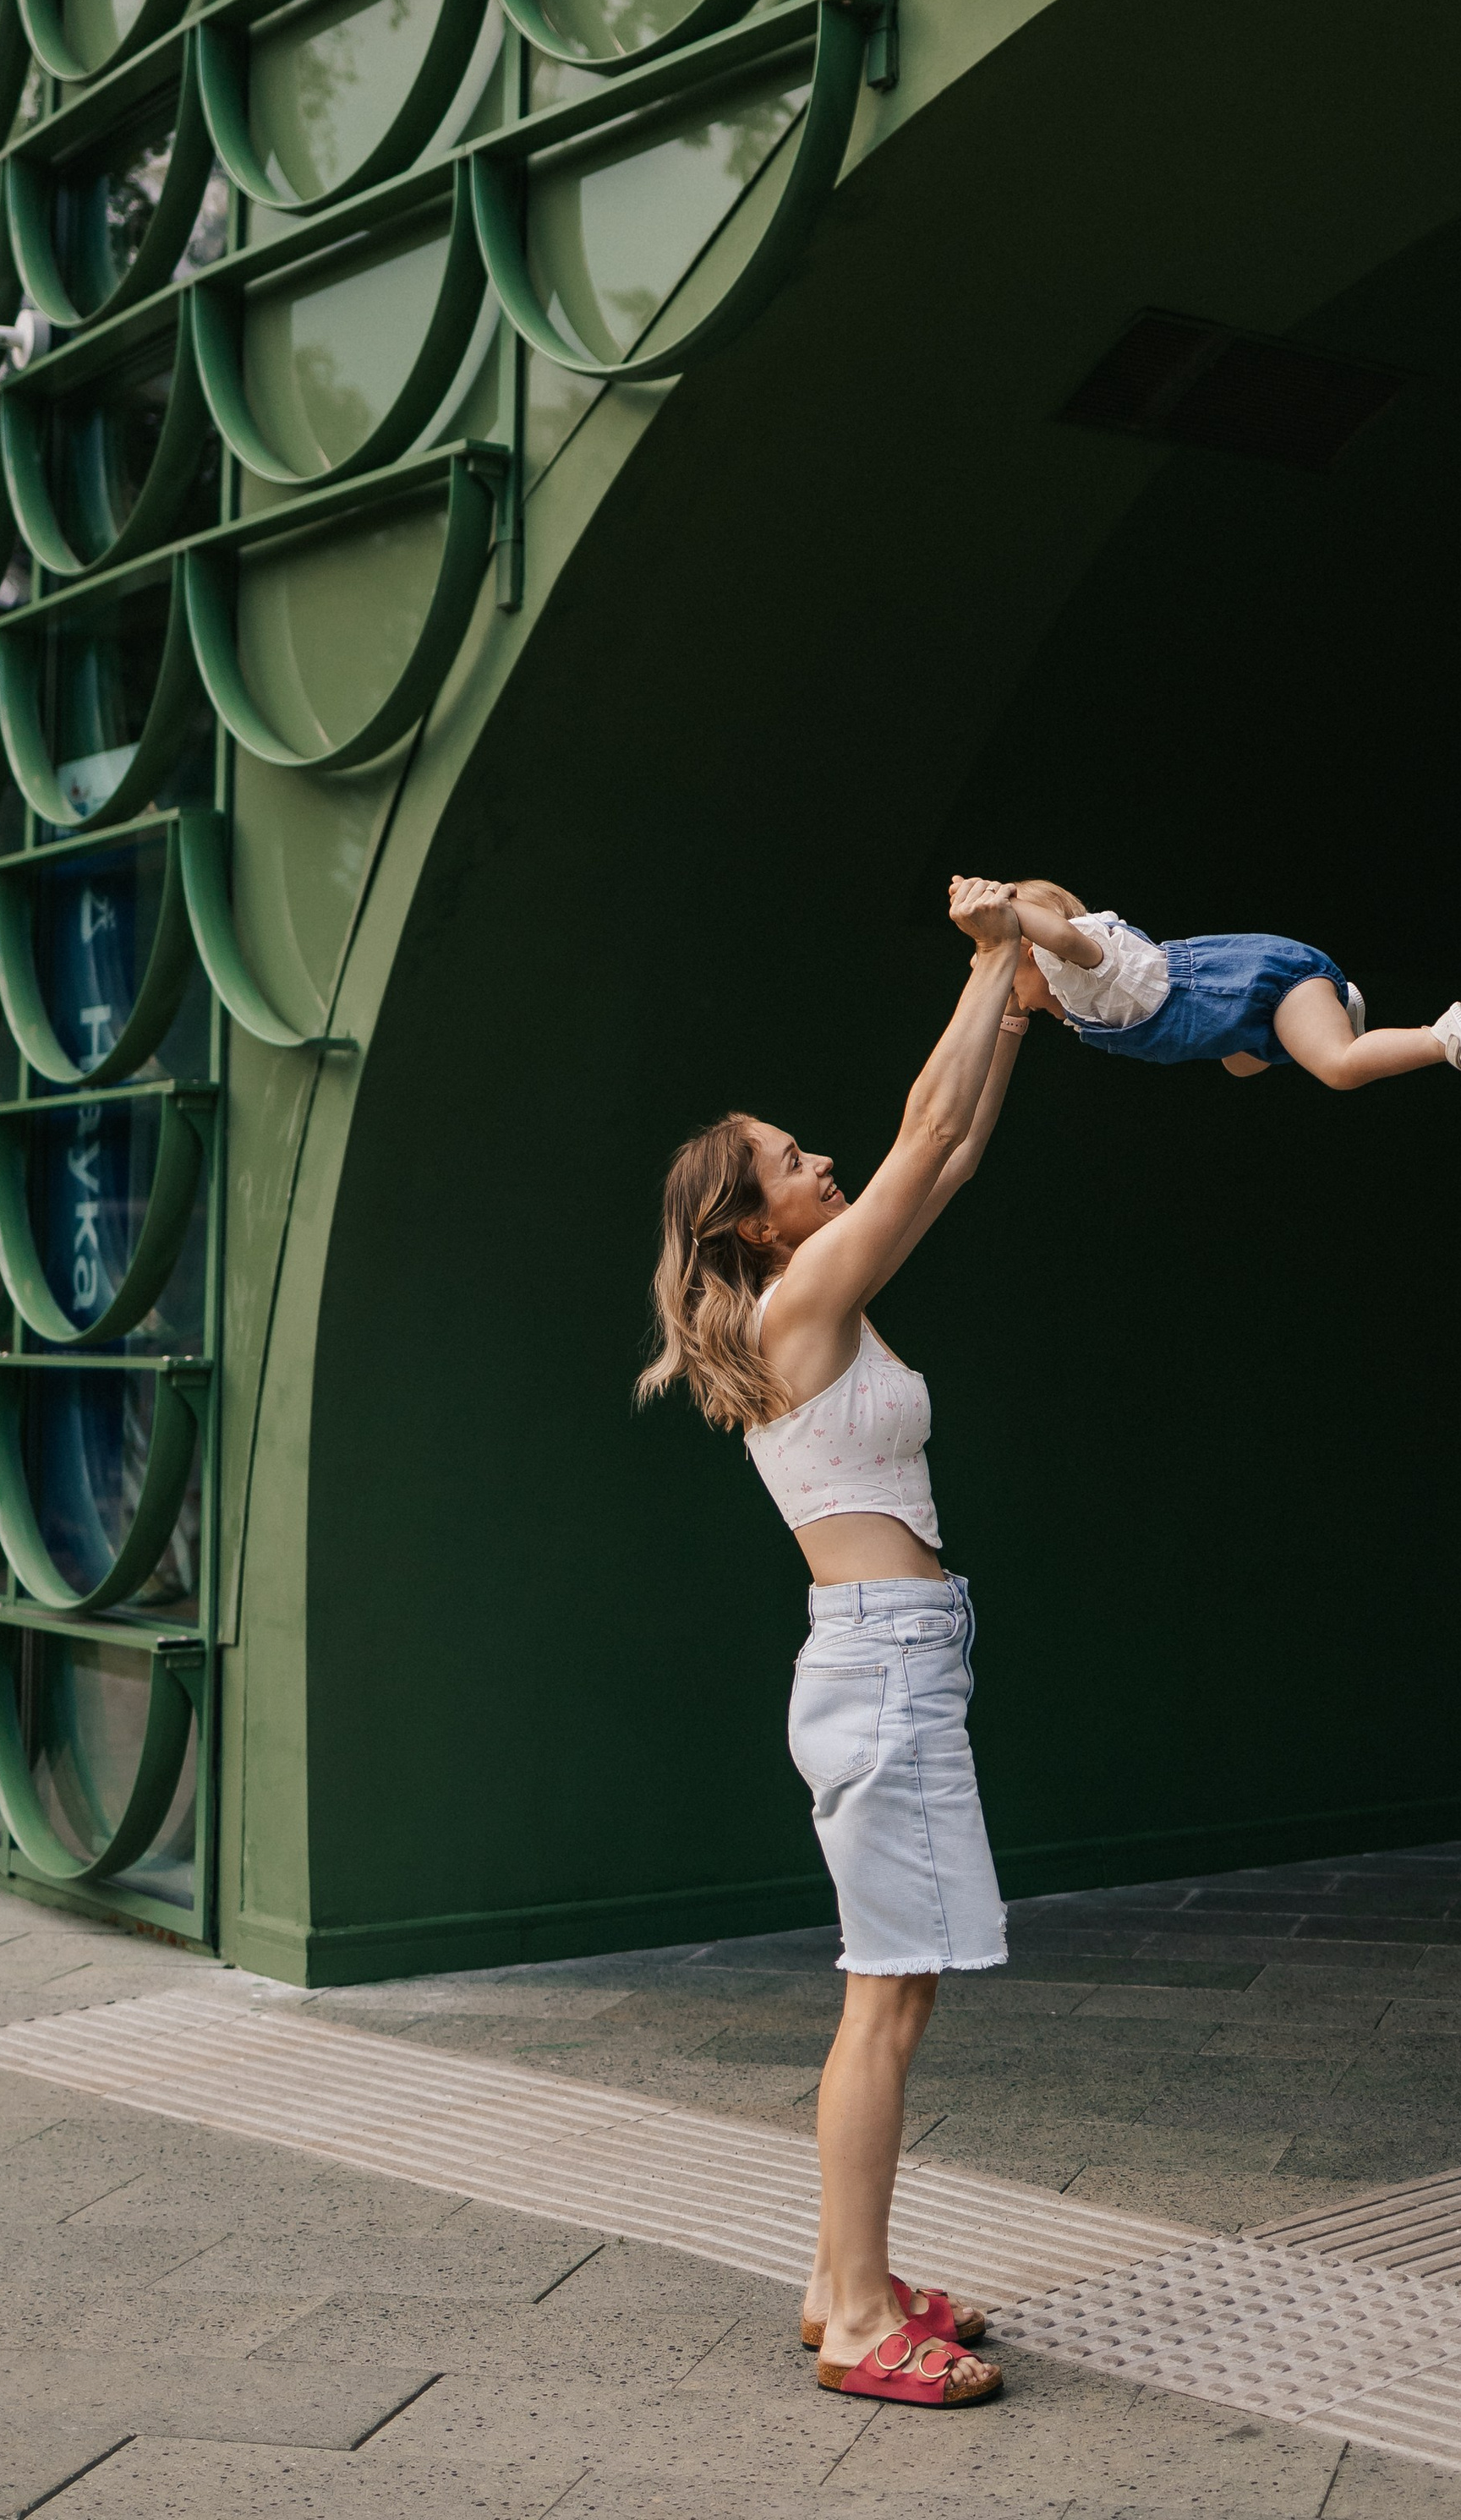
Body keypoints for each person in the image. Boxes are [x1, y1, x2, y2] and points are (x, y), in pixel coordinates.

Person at [635, 879, 1029, 2410]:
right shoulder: (802, 1305)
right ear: (755, 1219)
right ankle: (862, 2320)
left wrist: (1023, 1010)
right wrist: (996, 955)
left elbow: (956, 1149)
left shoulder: (827, 1290)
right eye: (792, 1159)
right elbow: (925, 1134)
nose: (823, 1160)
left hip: (895, 1648)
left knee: (897, 1982)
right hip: (882, 1661)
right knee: (890, 1989)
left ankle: (834, 2285)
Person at [992, 875, 1461, 1098]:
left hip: (1263, 986)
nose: (1001, 986)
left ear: (1034, 951)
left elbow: (1056, 934)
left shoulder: (1085, 960)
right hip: (1242, 1024)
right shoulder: (1081, 1007)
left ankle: (1441, 1037)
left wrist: (996, 906)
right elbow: (1014, 1007)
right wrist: (1010, 1009)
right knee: (1239, 1066)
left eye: (1001, 966)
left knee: (1340, 1070)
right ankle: (1339, 1009)